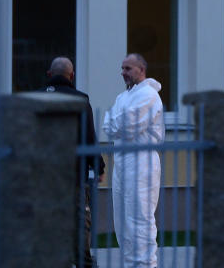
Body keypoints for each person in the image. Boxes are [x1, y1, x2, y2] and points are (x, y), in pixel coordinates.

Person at [102, 53, 165, 268]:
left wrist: (117, 121)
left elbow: (126, 125)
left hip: (142, 163)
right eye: (122, 68)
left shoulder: (148, 95)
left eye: (128, 68)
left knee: (139, 218)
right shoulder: (123, 97)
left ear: (141, 70)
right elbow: (108, 126)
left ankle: (146, 265)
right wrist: (117, 122)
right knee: (123, 220)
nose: (123, 73)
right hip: (122, 162)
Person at [44, 56, 105, 268]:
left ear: (49, 75)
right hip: (74, 170)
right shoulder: (80, 100)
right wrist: (99, 166)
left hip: (44, 173)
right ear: (72, 75)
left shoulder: (37, 99)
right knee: (80, 218)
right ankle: (83, 261)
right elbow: (89, 136)